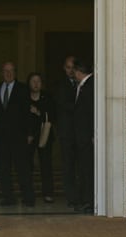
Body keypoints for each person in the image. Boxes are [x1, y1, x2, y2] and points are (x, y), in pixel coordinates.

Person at [0, 62, 35, 207]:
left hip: (19, 136)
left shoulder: (23, 89)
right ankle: (8, 197)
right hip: (1, 137)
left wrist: (30, 133)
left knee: (23, 168)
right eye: (5, 71)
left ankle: (28, 197)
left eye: (11, 71)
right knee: (4, 168)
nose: (8, 73)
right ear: (1, 73)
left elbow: (27, 113)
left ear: (15, 73)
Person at [27, 72, 55, 203]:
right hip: (29, 137)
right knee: (27, 166)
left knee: (46, 165)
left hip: (45, 135)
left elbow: (51, 116)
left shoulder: (47, 97)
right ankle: (28, 194)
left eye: (38, 81)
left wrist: (37, 112)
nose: (36, 84)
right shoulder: (25, 98)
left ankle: (48, 193)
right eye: (33, 81)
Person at [54, 56, 78, 208]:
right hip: (67, 132)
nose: (71, 70)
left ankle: (82, 195)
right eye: (69, 67)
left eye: (73, 67)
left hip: (80, 132)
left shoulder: (81, 83)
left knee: (81, 166)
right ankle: (71, 197)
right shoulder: (60, 84)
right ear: (64, 68)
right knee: (68, 166)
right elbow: (62, 104)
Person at [73, 58, 94, 214]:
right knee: (83, 169)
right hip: (83, 138)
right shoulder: (85, 86)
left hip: (87, 138)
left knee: (87, 170)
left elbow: (90, 113)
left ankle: (89, 201)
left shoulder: (90, 86)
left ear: (78, 72)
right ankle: (85, 199)